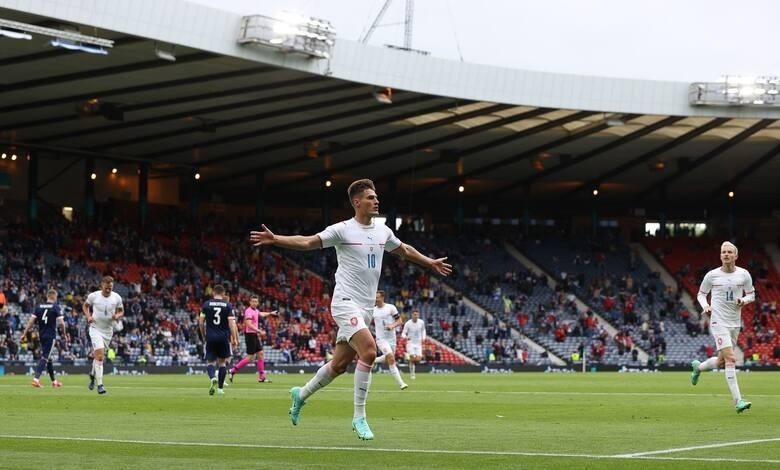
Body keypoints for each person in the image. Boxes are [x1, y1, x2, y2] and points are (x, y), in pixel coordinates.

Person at [250, 178, 451, 440]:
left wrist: (429, 262)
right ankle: (359, 417)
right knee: (369, 351)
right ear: (357, 202)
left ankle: (301, 394)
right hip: (345, 302)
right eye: (370, 197)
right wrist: (276, 238)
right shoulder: (342, 229)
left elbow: (404, 250)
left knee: (339, 365)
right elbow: (308, 242)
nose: (376, 200)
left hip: (365, 309)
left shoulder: (382, 231)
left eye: (376, 196)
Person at [690, 241, 754, 413]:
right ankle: (738, 401)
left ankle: (698, 367)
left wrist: (744, 300)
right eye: (723, 252)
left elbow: (751, 294)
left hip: (735, 323)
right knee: (731, 359)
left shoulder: (744, 274)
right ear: (720, 255)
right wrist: (705, 306)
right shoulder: (712, 275)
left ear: (736, 255)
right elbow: (701, 294)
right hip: (718, 321)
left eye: (729, 252)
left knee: (721, 361)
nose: (726, 254)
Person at [20, 288, 68, 388]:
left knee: (49, 358)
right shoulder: (55, 307)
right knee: (45, 357)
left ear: (47, 296)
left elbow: (30, 321)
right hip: (51, 336)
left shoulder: (39, 307)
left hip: (41, 336)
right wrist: (64, 333)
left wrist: (24, 333)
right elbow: (62, 323)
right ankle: (36, 379)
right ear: (54, 296)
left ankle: (54, 381)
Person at [84, 276, 124, 395]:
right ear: (102, 285)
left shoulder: (117, 297)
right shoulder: (94, 296)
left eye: (110, 288)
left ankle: (92, 375)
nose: (108, 290)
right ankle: (100, 385)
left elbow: (121, 310)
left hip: (108, 331)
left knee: (99, 357)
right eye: (106, 287)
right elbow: (85, 306)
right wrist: (88, 316)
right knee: (100, 356)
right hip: (95, 329)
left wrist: (118, 316)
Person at [198, 284, 238, 396]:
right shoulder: (228, 305)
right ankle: (220, 389)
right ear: (223, 293)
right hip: (224, 338)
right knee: (222, 363)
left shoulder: (206, 305)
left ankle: (212, 378)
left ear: (213, 293)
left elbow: (201, 322)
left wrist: (203, 334)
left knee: (210, 362)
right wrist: (234, 338)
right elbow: (232, 323)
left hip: (210, 337)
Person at [228, 295, 277, 383]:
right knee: (250, 358)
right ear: (250, 302)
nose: (254, 303)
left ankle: (261, 377)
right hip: (250, 335)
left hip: (254, 335)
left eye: (256, 301)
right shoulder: (248, 311)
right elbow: (248, 324)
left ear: (257, 303)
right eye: (253, 301)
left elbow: (261, 313)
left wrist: (270, 313)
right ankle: (232, 371)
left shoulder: (255, 310)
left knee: (260, 354)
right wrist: (259, 331)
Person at [372, 290, 407, 390]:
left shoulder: (391, 308)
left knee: (388, 358)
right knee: (391, 358)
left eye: (377, 297)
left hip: (392, 338)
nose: (376, 299)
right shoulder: (373, 310)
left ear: (382, 298)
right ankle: (401, 383)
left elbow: (399, 321)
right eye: (375, 297)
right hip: (381, 339)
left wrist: (392, 325)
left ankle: (373, 360)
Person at [402, 309, 426, 379]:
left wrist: (423, 337)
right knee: (412, 358)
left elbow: (423, 330)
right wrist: (406, 337)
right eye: (414, 315)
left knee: (418, 359)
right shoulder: (408, 323)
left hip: (418, 344)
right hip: (410, 343)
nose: (416, 316)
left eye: (417, 315)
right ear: (412, 315)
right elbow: (403, 333)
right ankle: (412, 374)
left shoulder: (421, 322)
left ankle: (407, 357)